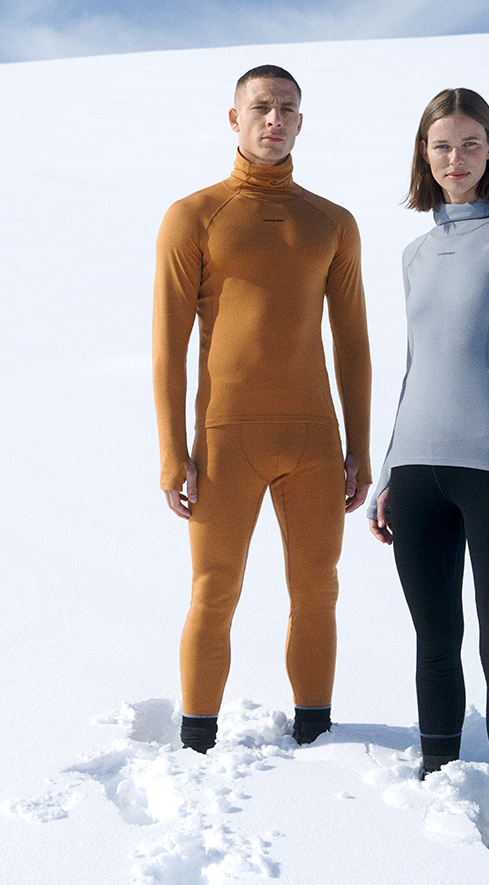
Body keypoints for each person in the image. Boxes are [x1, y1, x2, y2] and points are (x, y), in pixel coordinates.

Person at [153, 65, 372, 754]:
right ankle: (196, 741)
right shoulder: (193, 216)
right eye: (260, 108)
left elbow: (353, 344)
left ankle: (317, 732)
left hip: (314, 438)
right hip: (225, 441)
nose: (273, 119)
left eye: (286, 109)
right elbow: (168, 348)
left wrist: (359, 447)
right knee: (214, 589)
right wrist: (171, 453)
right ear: (234, 118)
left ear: (301, 123)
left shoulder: (332, 222)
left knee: (318, 588)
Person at [366, 88, 489, 851]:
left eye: (471, 143)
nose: (456, 159)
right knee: (433, 638)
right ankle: (439, 780)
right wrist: (389, 467)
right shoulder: (415, 252)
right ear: (425, 153)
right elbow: (415, 368)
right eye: (441, 145)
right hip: (416, 474)